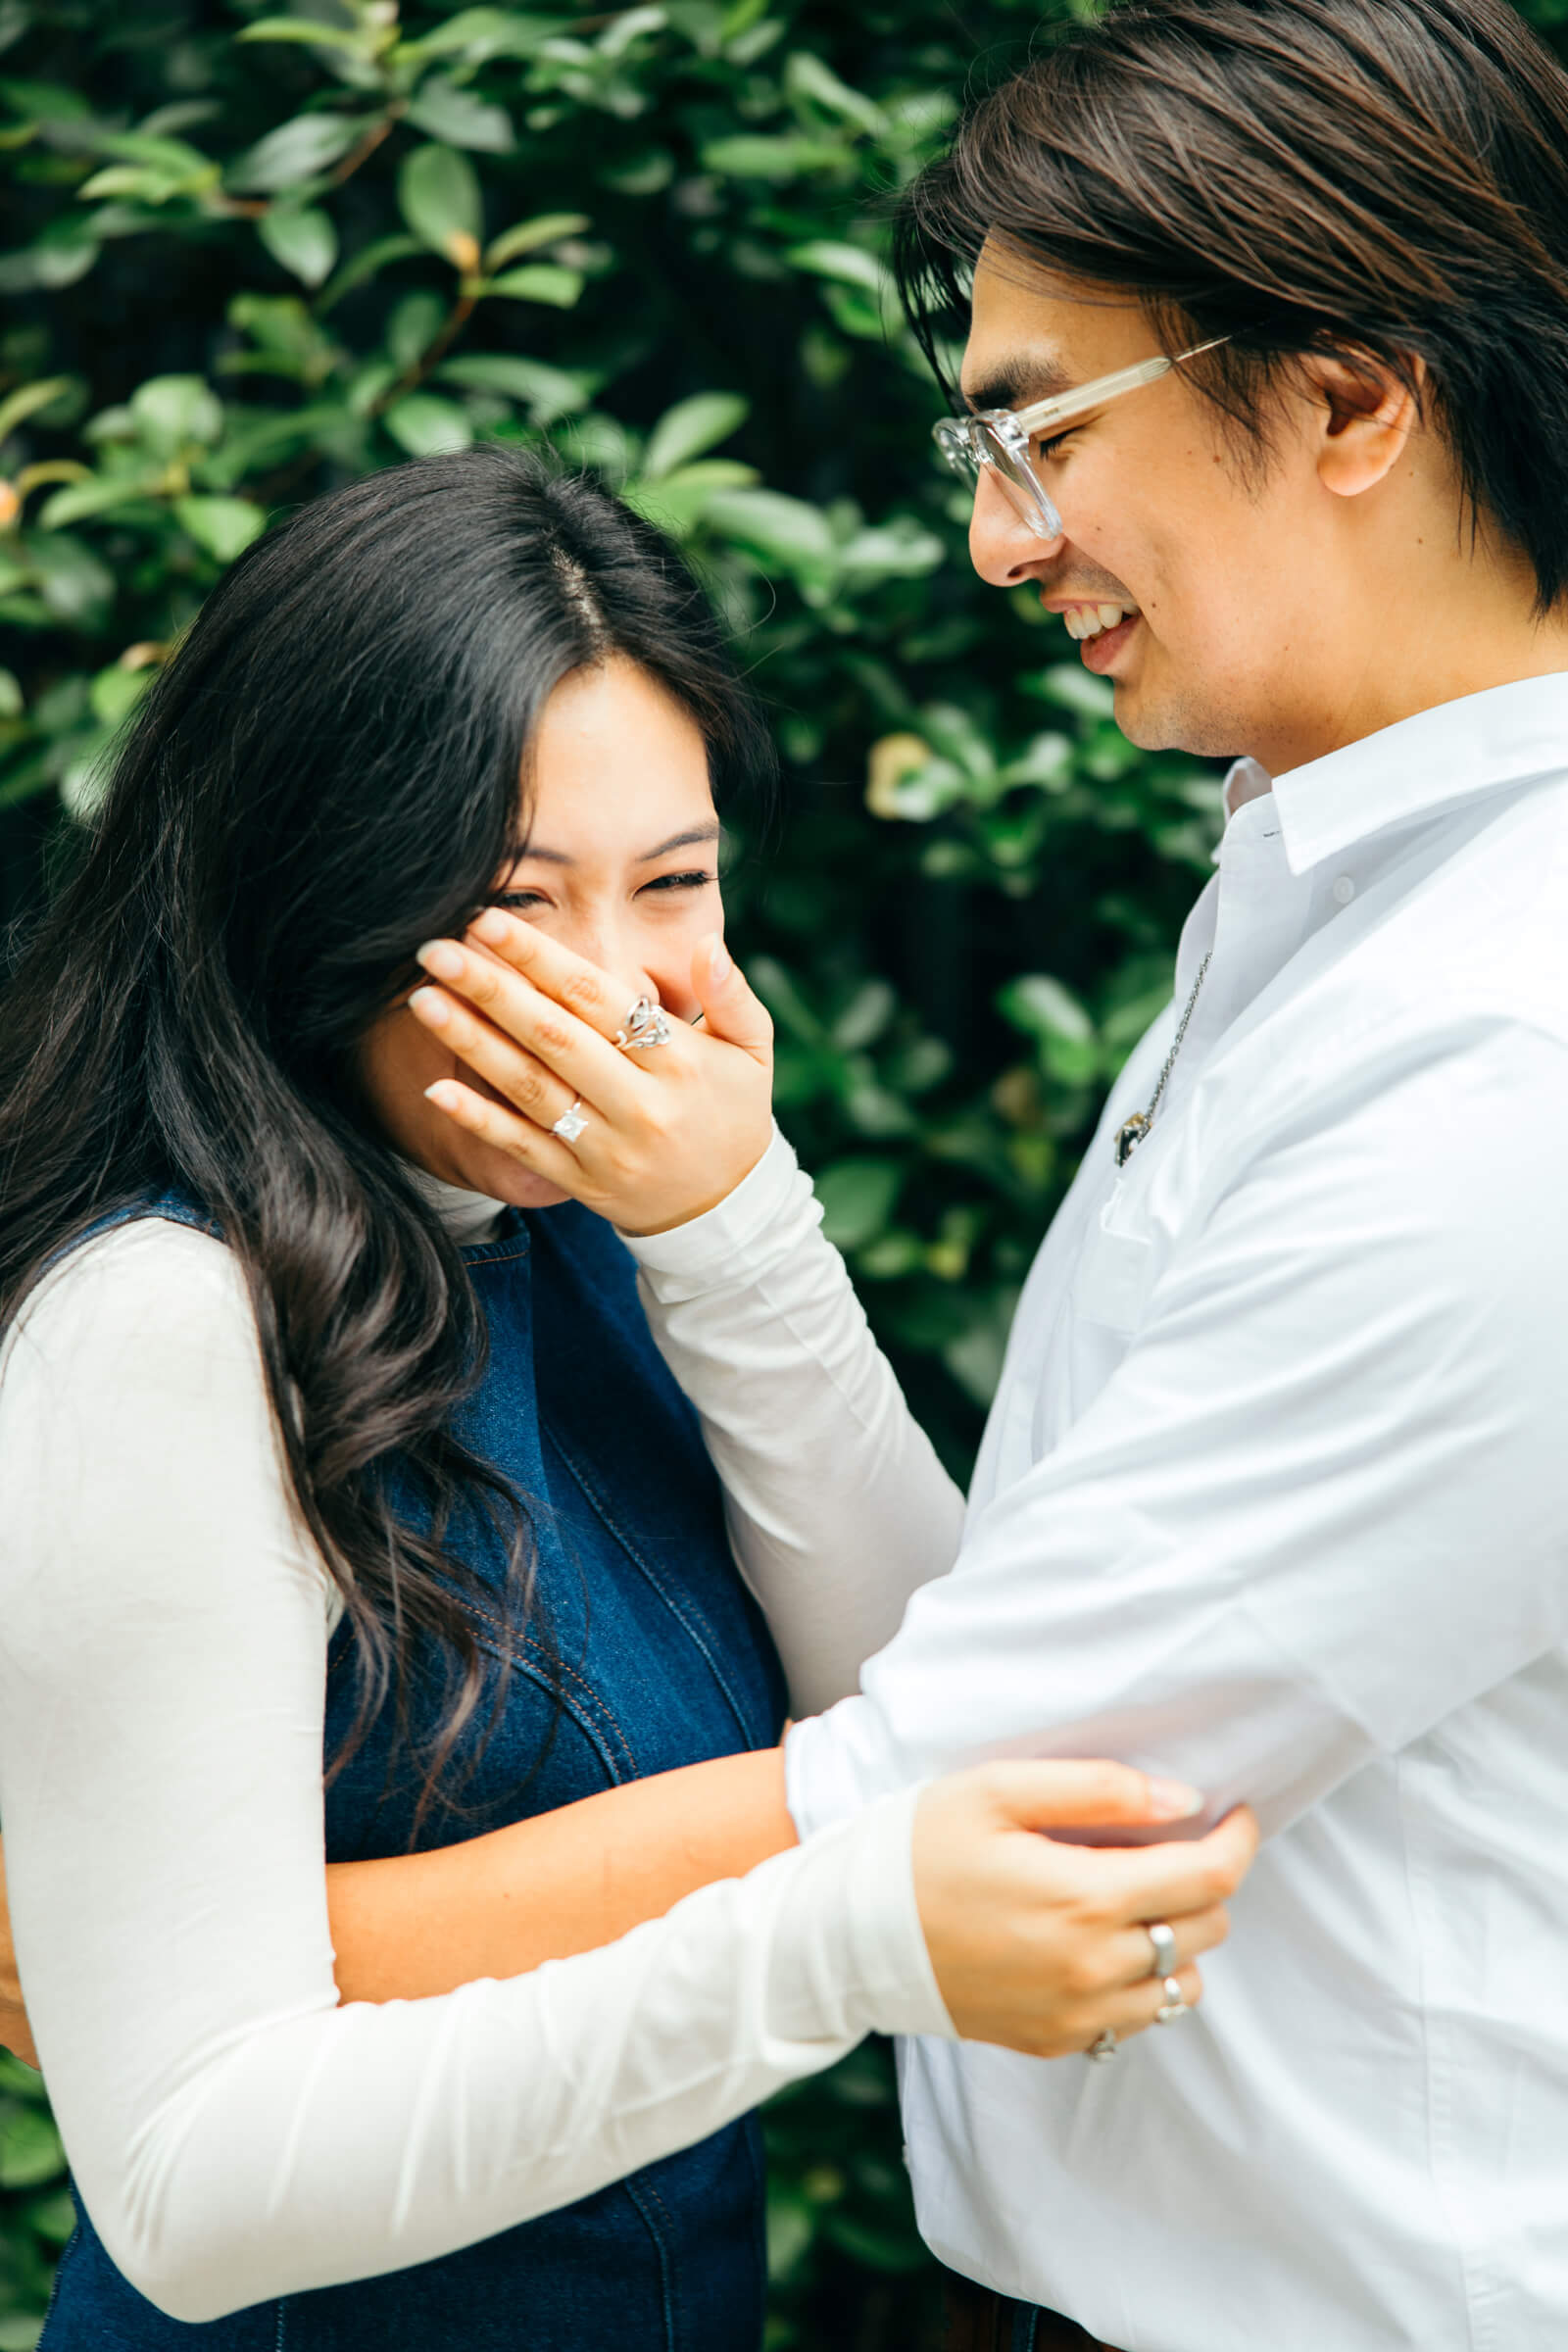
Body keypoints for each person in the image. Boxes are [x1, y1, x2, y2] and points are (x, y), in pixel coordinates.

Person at [387, 3, 1568, 2347]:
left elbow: (983, 1773)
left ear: (1348, 398)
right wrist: (723, 1219)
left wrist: (229, 1969)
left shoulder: (1500, 1051)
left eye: (1041, 429)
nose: (996, 538)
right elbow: (1030, 1638)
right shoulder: (1329, 899)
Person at [0, 446, 1254, 2351]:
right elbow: (195, 2177)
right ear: (318, 889)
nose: (612, 996)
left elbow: (940, 1684)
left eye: (672, 885)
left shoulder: (589, 1231)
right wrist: (832, 1936)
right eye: (514, 905)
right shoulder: (166, 1322)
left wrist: (735, 1222)